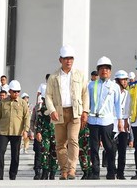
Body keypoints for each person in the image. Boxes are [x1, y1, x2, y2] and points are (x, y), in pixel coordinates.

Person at [45, 45, 90, 180]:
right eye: (65, 58)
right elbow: (48, 95)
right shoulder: (53, 77)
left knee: (73, 139)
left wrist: (85, 111)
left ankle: (71, 170)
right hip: (59, 112)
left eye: (70, 58)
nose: (68, 61)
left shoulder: (79, 75)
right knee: (60, 143)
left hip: (75, 112)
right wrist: (52, 110)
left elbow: (85, 94)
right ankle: (63, 170)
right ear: (60, 60)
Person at [86, 56, 123, 180]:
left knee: (109, 148)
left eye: (107, 68)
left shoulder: (115, 87)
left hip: (107, 121)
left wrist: (120, 121)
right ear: (98, 70)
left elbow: (117, 105)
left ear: (110, 71)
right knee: (94, 148)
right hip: (93, 121)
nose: (104, 71)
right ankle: (95, 172)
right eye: (101, 68)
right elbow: (87, 102)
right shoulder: (91, 85)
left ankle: (111, 172)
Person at [0, 80, 30, 180]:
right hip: (4, 132)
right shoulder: (3, 102)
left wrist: (26, 130)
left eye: (18, 91)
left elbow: (27, 117)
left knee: (15, 155)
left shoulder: (23, 103)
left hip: (17, 132)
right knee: (0, 152)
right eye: (14, 91)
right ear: (9, 91)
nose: (16, 93)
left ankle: (12, 175)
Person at [79, 70, 98, 180]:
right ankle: (85, 170)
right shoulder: (84, 91)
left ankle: (91, 171)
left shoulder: (93, 92)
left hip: (90, 125)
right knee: (82, 150)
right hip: (81, 125)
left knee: (90, 150)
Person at [113, 70, 131, 179]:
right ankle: (112, 170)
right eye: (122, 80)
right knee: (111, 150)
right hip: (113, 124)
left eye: (125, 79)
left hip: (124, 124)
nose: (124, 82)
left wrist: (127, 122)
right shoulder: (112, 92)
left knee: (122, 151)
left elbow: (128, 109)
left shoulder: (128, 93)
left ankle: (121, 173)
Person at [35, 95, 59, 180]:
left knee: (55, 154)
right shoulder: (42, 110)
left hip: (56, 134)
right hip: (45, 134)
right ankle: (45, 172)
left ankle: (52, 173)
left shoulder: (59, 108)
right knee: (44, 152)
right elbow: (39, 121)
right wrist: (38, 132)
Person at [30, 95, 43, 179]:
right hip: (38, 134)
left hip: (49, 135)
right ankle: (37, 172)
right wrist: (34, 131)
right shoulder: (36, 107)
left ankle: (47, 172)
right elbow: (32, 120)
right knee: (38, 153)